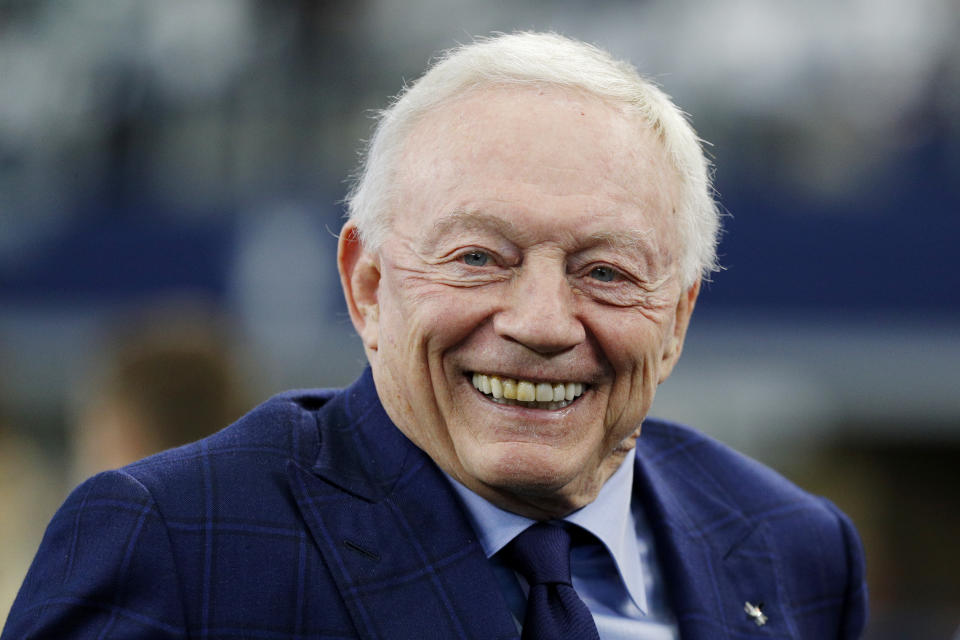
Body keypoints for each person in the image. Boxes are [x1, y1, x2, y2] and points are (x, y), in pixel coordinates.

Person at [2, 32, 867, 639]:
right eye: (480, 258)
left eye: (604, 272)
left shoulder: (793, 550)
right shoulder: (176, 543)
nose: (539, 323)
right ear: (368, 287)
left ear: (676, 318)